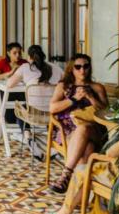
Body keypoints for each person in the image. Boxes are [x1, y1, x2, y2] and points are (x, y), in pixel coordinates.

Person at [45, 53, 108, 194]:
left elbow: (106, 113)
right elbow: (52, 108)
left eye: (86, 66)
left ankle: (65, 175)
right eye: (78, 67)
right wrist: (74, 99)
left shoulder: (97, 88)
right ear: (71, 69)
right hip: (68, 130)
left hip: (95, 129)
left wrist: (91, 97)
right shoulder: (64, 86)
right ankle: (83, 193)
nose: (82, 70)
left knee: (84, 128)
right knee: (87, 148)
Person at [0, 42, 26, 124]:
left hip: (20, 91)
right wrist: (8, 74)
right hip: (4, 91)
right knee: (10, 116)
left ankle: (22, 124)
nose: (18, 55)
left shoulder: (24, 63)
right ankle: (13, 121)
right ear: (8, 53)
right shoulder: (3, 62)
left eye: (19, 53)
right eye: (15, 53)